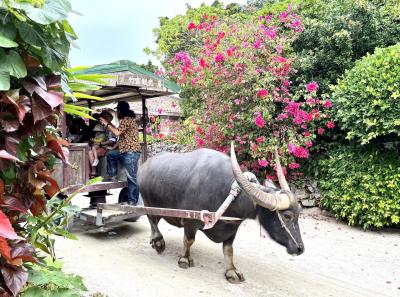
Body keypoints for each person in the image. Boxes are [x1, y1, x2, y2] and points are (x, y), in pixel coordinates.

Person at [99, 101, 141, 205]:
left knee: (132, 178)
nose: (116, 112)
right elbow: (119, 132)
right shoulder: (128, 120)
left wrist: (107, 123)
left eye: (117, 110)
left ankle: (133, 201)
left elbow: (117, 132)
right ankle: (112, 176)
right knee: (111, 154)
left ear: (120, 111)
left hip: (130, 152)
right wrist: (109, 124)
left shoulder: (127, 120)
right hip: (125, 151)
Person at [88, 111, 117, 176]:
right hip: (103, 146)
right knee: (90, 152)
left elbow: (113, 140)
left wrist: (101, 143)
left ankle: (93, 172)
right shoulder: (104, 127)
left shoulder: (112, 127)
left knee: (91, 153)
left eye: (104, 118)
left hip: (109, 147)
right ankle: (94, 171)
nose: (102, 120)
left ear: (109, 118)